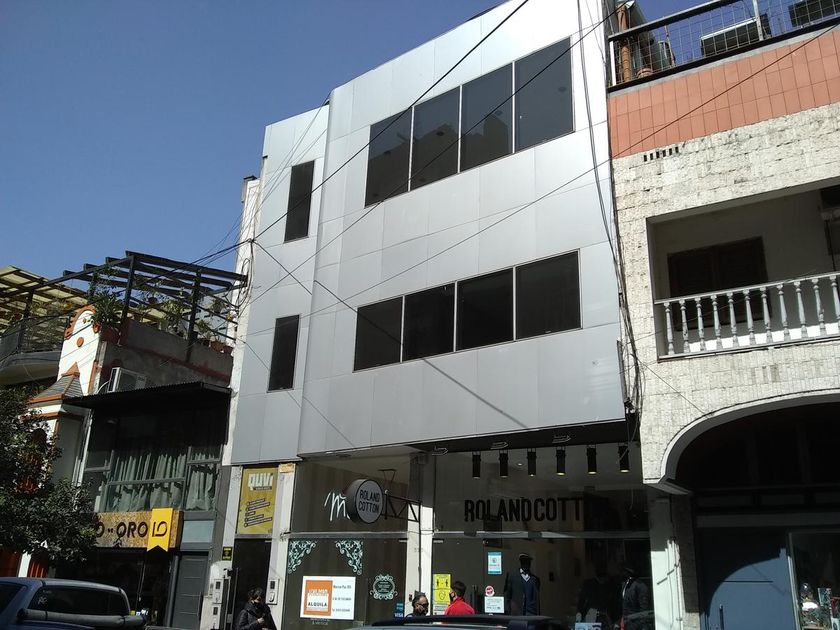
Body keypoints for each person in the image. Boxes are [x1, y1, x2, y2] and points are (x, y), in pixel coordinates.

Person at [620, 566, 651, 630]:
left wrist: (643, 625)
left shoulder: (640, 585)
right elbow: (624, 603)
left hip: (636, 622)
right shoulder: (625, 584)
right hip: (626, 621)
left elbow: (644, 607)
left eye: (625, 571)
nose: (622, 573)